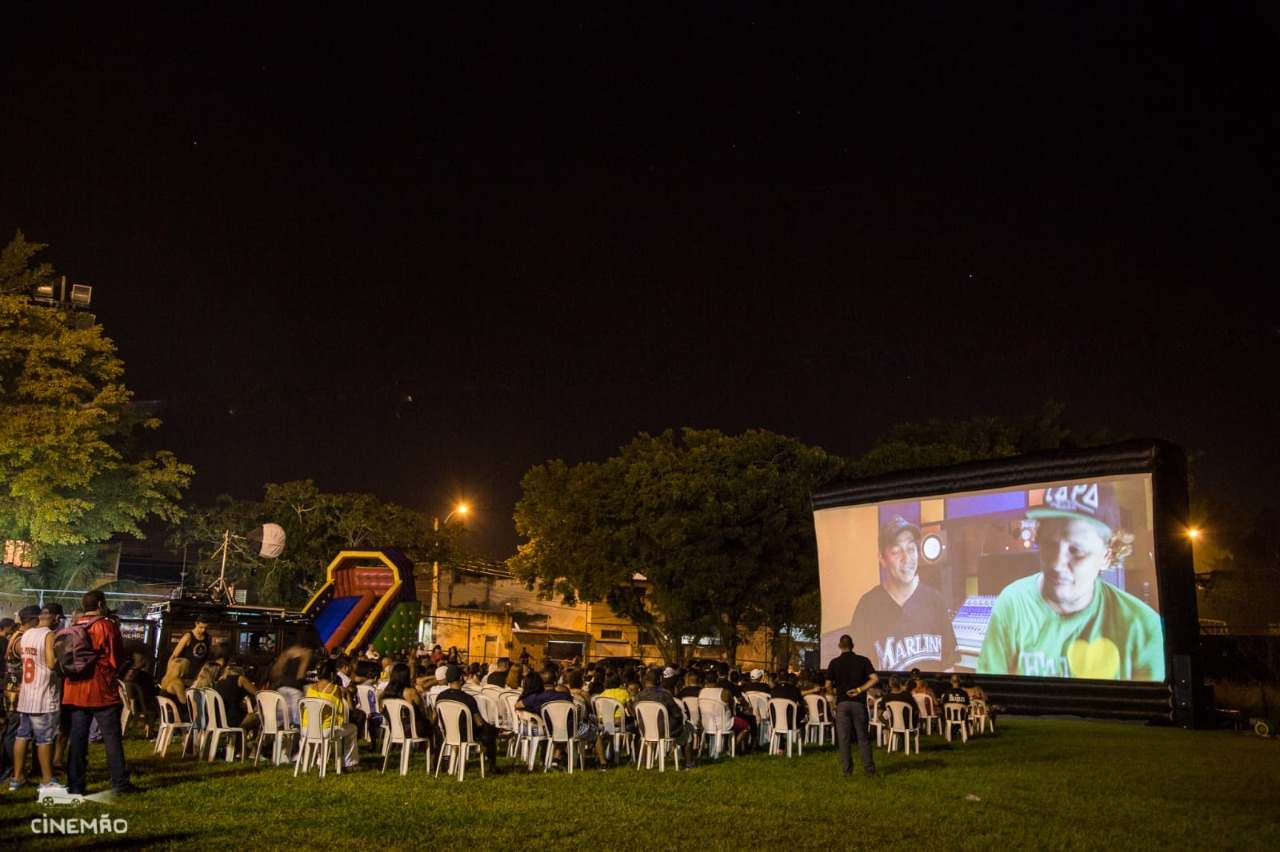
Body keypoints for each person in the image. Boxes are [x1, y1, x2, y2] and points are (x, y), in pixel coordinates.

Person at [978, 482, 1165, 680]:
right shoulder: (1014, 602)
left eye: (1076, 550)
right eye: (1050, 544)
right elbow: (989, 693)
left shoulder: (1142, 627)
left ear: (1107, 557)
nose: (1057, 564)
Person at [849, 514, 960, 672]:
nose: (906, 558)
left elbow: (948, 666)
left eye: (910, 549)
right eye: (896, 551)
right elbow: (857, 669)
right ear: (882, 558)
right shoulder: (867, 606)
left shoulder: (935, 601)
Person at [63, 590, 139, 797]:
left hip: (75, 690)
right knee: (111, 738)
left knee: (78, 738)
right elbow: (117, 657)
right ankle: (120, 783)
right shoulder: (106, 625)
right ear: (100, 604)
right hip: (101, 690)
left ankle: (75, 785)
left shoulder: (74, 626)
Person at [11, 603, 64, 795]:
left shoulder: (27, 634)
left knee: (22, 735)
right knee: (45, 739)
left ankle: (17, 777)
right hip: (43, 695)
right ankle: (47, 780)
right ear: (56, 618)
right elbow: (51, 664)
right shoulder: (48, 635)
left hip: (27, 695)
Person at [825, 634, 878, 778]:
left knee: (844, 739)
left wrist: (833, 698)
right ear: (853, 645)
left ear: (839, 646)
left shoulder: (834, 663)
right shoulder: (863, 661)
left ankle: (847, 771)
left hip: (842, 703)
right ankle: (869, 770)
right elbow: (874, 679)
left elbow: (828, 684)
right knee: (863, 738)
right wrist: (860, 689)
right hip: (859, 703)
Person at [435, 665, 498, 770]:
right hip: (466, 734)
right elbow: (479, 723)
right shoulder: (468, 699)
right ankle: (492, 767)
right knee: (490, 734)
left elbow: (434, 716)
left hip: (447, 733)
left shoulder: (440, 697)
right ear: (461, 678)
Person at [302, 660, 360, 770]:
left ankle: (320, 761)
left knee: (324, 727)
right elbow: (339, 711)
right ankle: (349, 763)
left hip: (307, 728)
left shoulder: (310, 688)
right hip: (325, 730)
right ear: (332, 675)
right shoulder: (334, 689)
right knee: (352, 729)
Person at [633, 669, 694, 769]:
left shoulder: (638, 697)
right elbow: (677, 714)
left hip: (645, 731)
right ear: (658, 681)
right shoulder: (664, 696)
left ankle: (644, 762)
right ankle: (689, 763)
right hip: (665, 731)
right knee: (686, 730)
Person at [168, 615, 213, 683]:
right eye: (201, 627)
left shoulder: (208, 637)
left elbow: (208, 657)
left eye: (205, 628)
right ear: (196, 624)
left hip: (200, 676)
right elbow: (174, 656)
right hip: (186, 675)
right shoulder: (187, 637)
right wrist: (168, 674)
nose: (203, 630)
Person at [158, 658, 191, 722]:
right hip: (174, 715)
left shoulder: (166, 680)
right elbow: (184, 701)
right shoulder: (177, 683)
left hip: (165, 714)